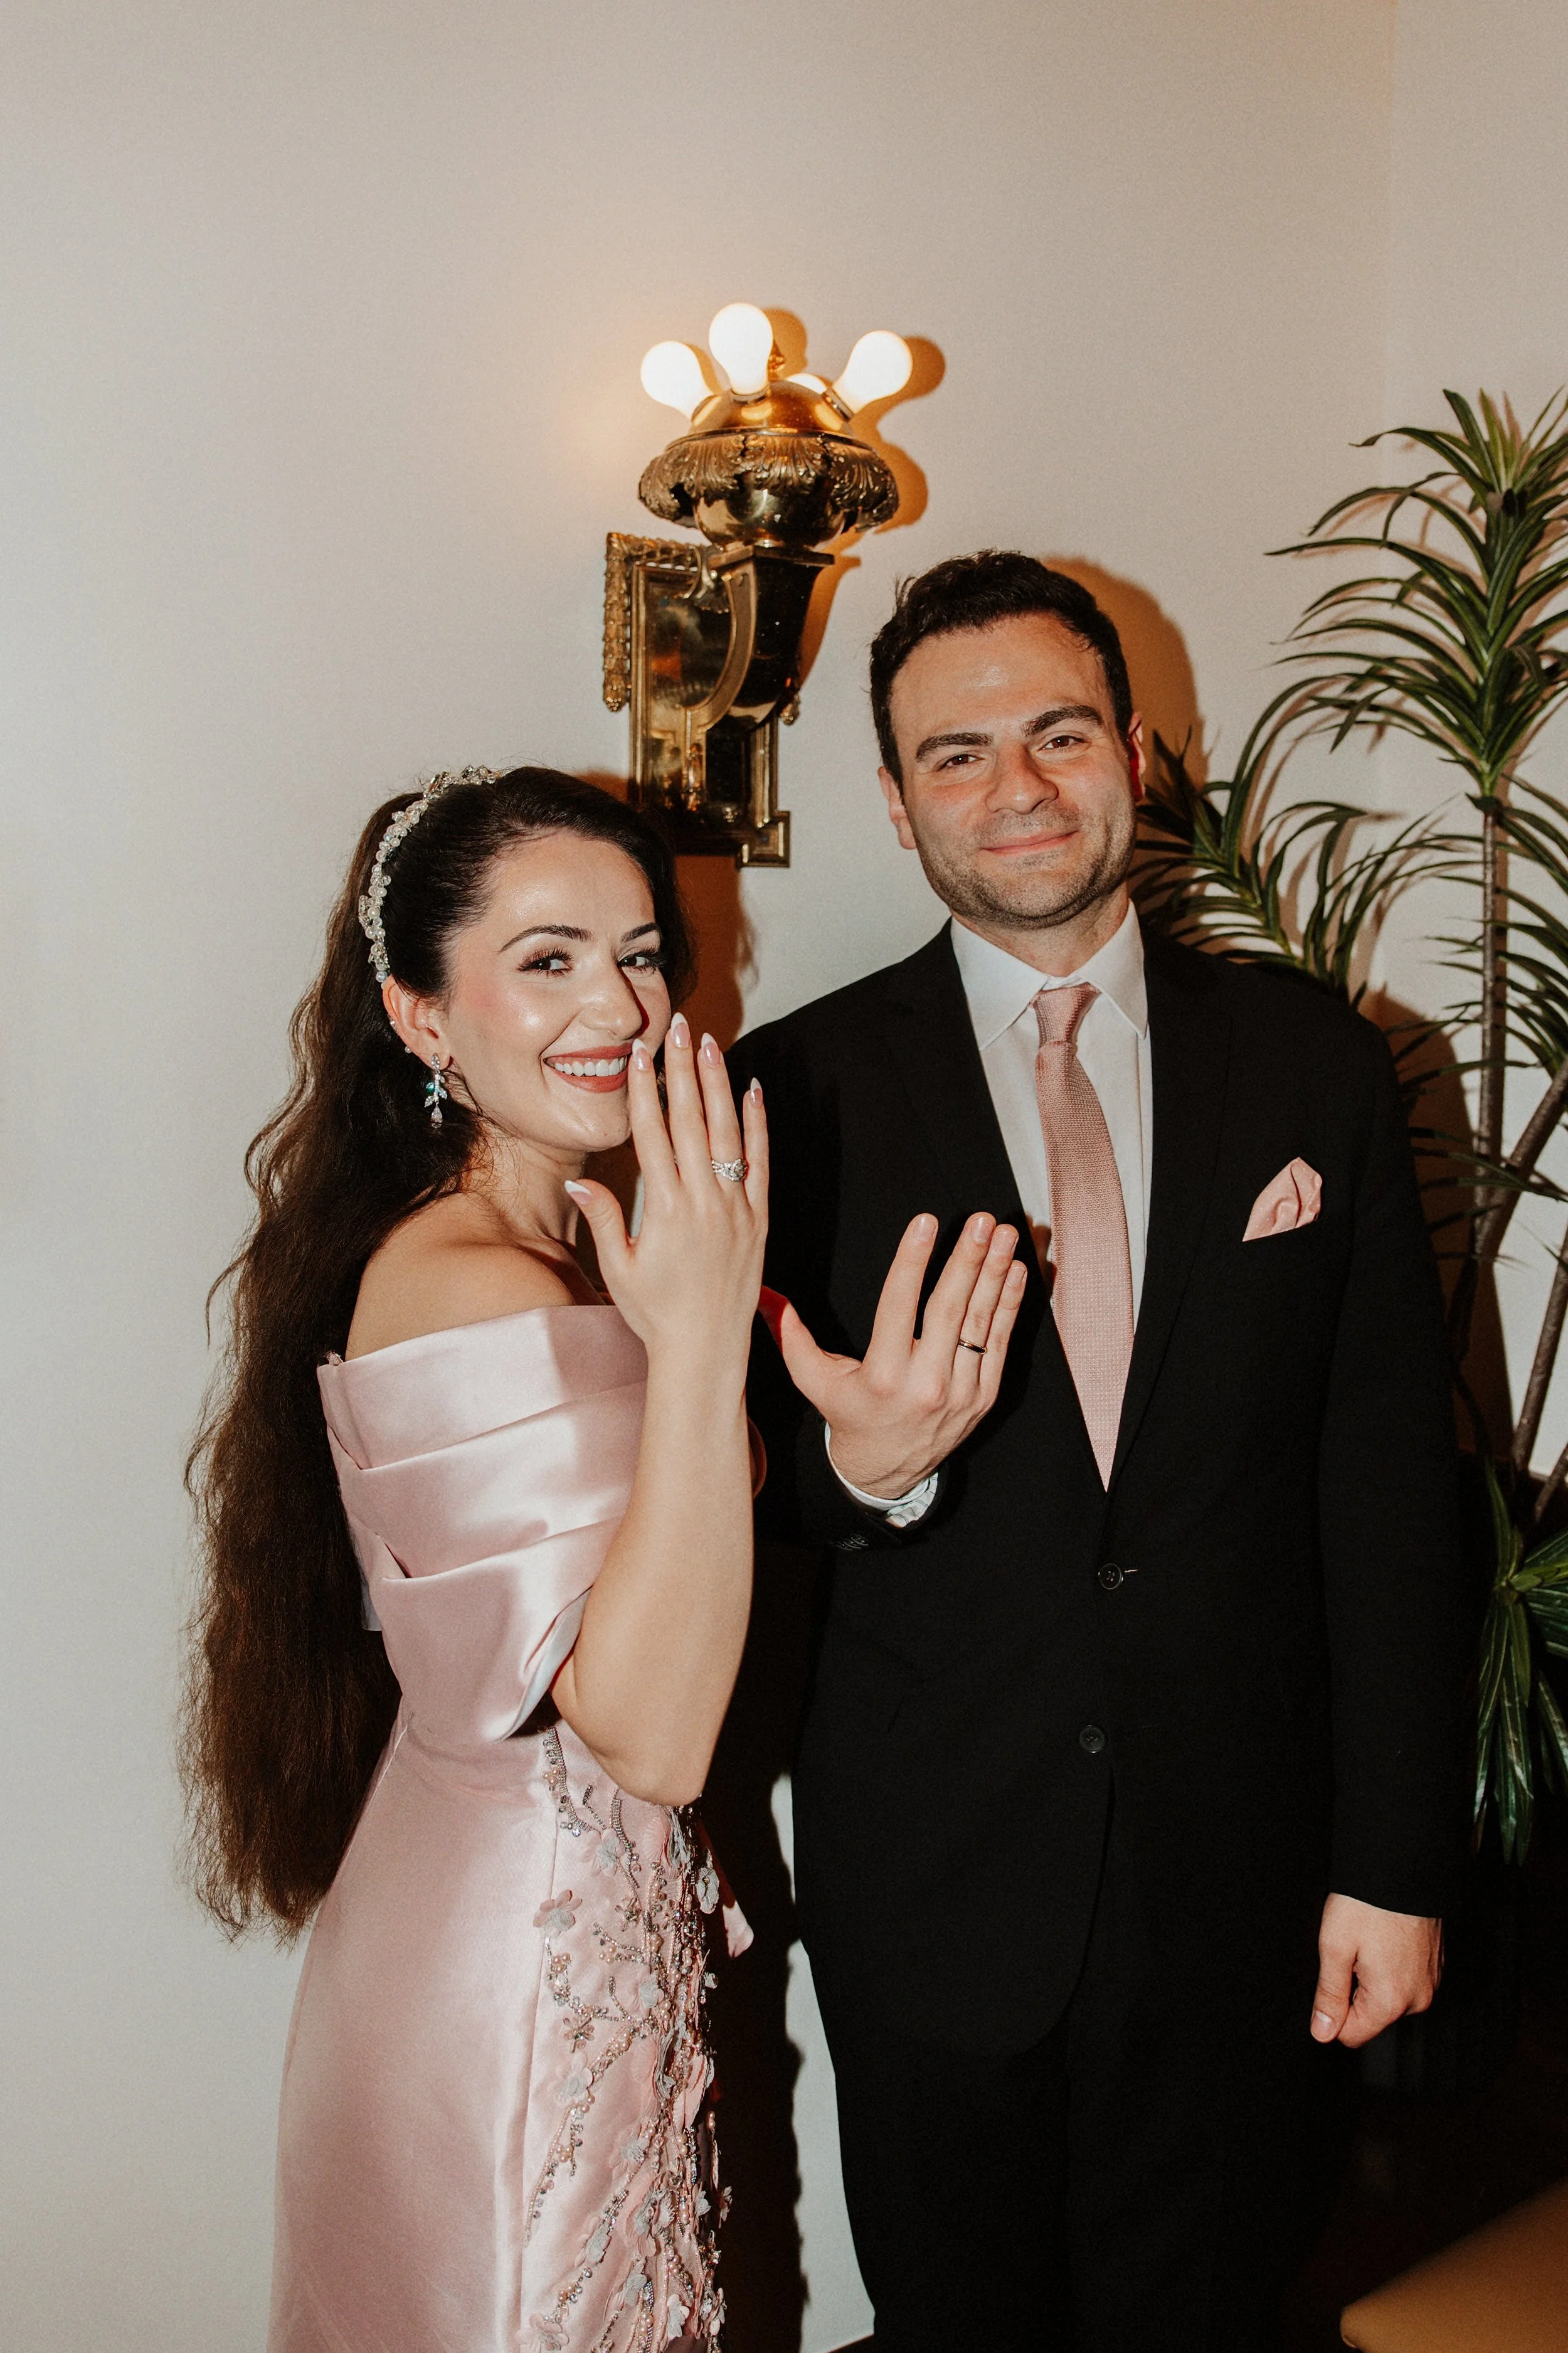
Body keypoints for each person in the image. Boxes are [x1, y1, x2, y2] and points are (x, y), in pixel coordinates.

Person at [732, 554, 1471, 2350]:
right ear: (897, 802)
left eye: (1058, 732)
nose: (1020, 788)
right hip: (935, 1872)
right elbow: (743, 1499)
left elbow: (1384, 1484)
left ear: (1136, 755)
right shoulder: (788, 1098)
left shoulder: (1316, 1065)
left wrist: (1393, 1857)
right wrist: (872, 1467)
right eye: (958, 753)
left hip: (1242, 1868)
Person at [184, 766, 773, 2351]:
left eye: (644, 953)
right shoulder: (469, 1279)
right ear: (420, 1015)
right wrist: (709, 1339)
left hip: (566, 1933)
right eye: (547, 958)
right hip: (513, 1986)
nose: (622, 1006)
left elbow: (664, 1547)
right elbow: (644, 1732)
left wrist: (847, 1437)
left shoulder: (572, 1233)